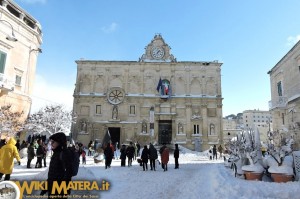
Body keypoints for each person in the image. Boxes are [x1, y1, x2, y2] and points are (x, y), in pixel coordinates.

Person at [40, 132, 73, 198]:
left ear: (59, 142)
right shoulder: (56, 153)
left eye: (53, 142)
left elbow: (68, 173)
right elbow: (53, 173)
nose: (51, 144)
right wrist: (46, 187)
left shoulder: (64, 154)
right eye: (51, 142)